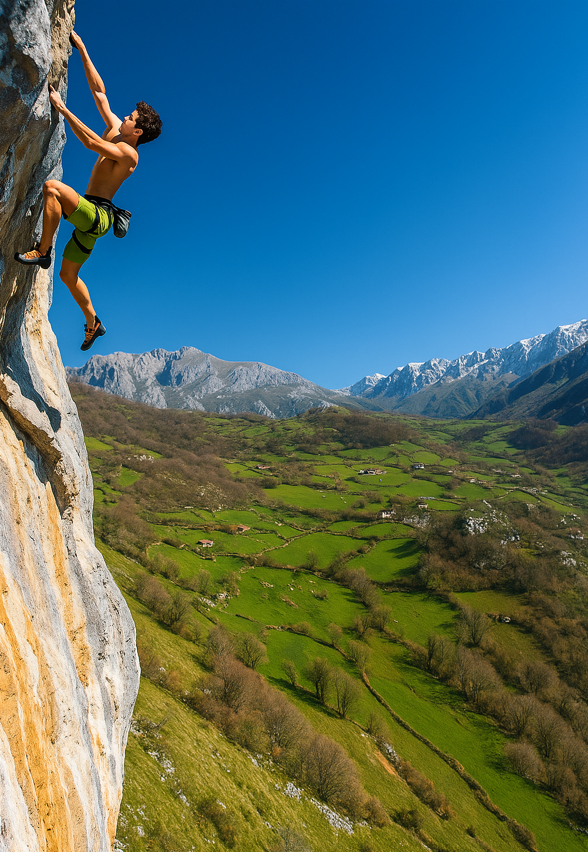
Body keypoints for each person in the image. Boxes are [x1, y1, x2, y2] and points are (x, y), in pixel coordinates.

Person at [15, 31, 162, 351]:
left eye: (131, 118)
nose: (124, 116)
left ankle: (42, 252)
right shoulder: (116, 130)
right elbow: (99, 92)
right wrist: (81, 48)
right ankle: (94, 323)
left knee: (52, 189)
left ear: (137, 131)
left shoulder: (130, 155)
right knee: (68, 275)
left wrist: (62, 109)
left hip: (97, 215)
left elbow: (92, 143)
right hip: (90, 223)